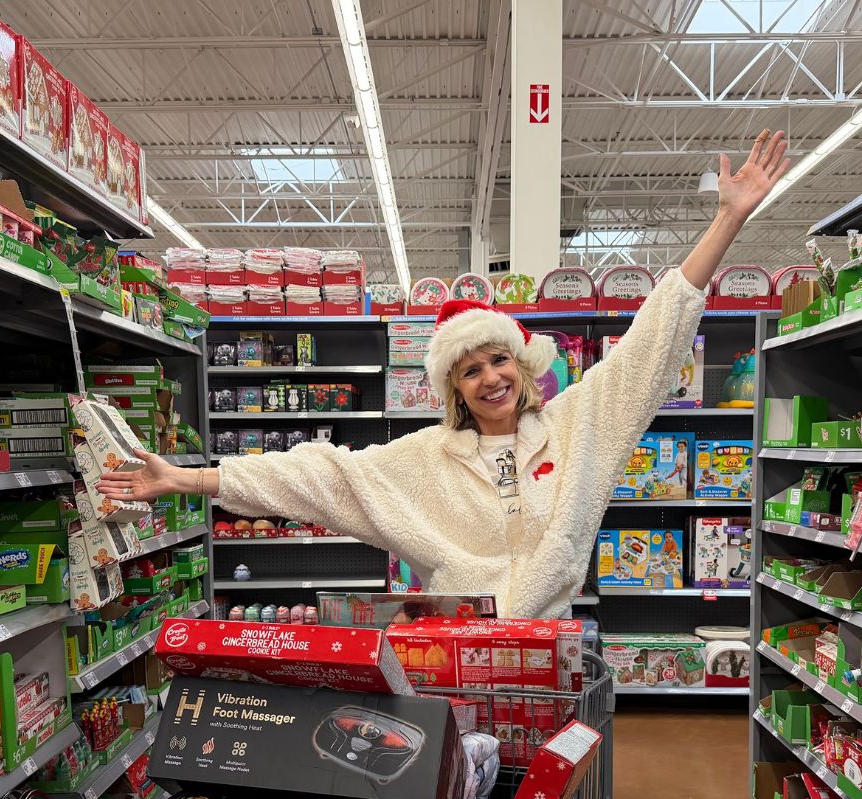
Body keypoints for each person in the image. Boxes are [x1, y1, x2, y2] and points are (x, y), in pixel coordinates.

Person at [99, 131, 790, 619]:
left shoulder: (580, 426)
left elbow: (650, 344)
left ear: (519, 367)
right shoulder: (424, 461)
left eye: (497, 360)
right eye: (469, 371)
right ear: (453, 389)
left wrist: (727, 219)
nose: (489, 378)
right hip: (459, 650)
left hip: (549, 646)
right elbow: (319, 475)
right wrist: (190, 478)